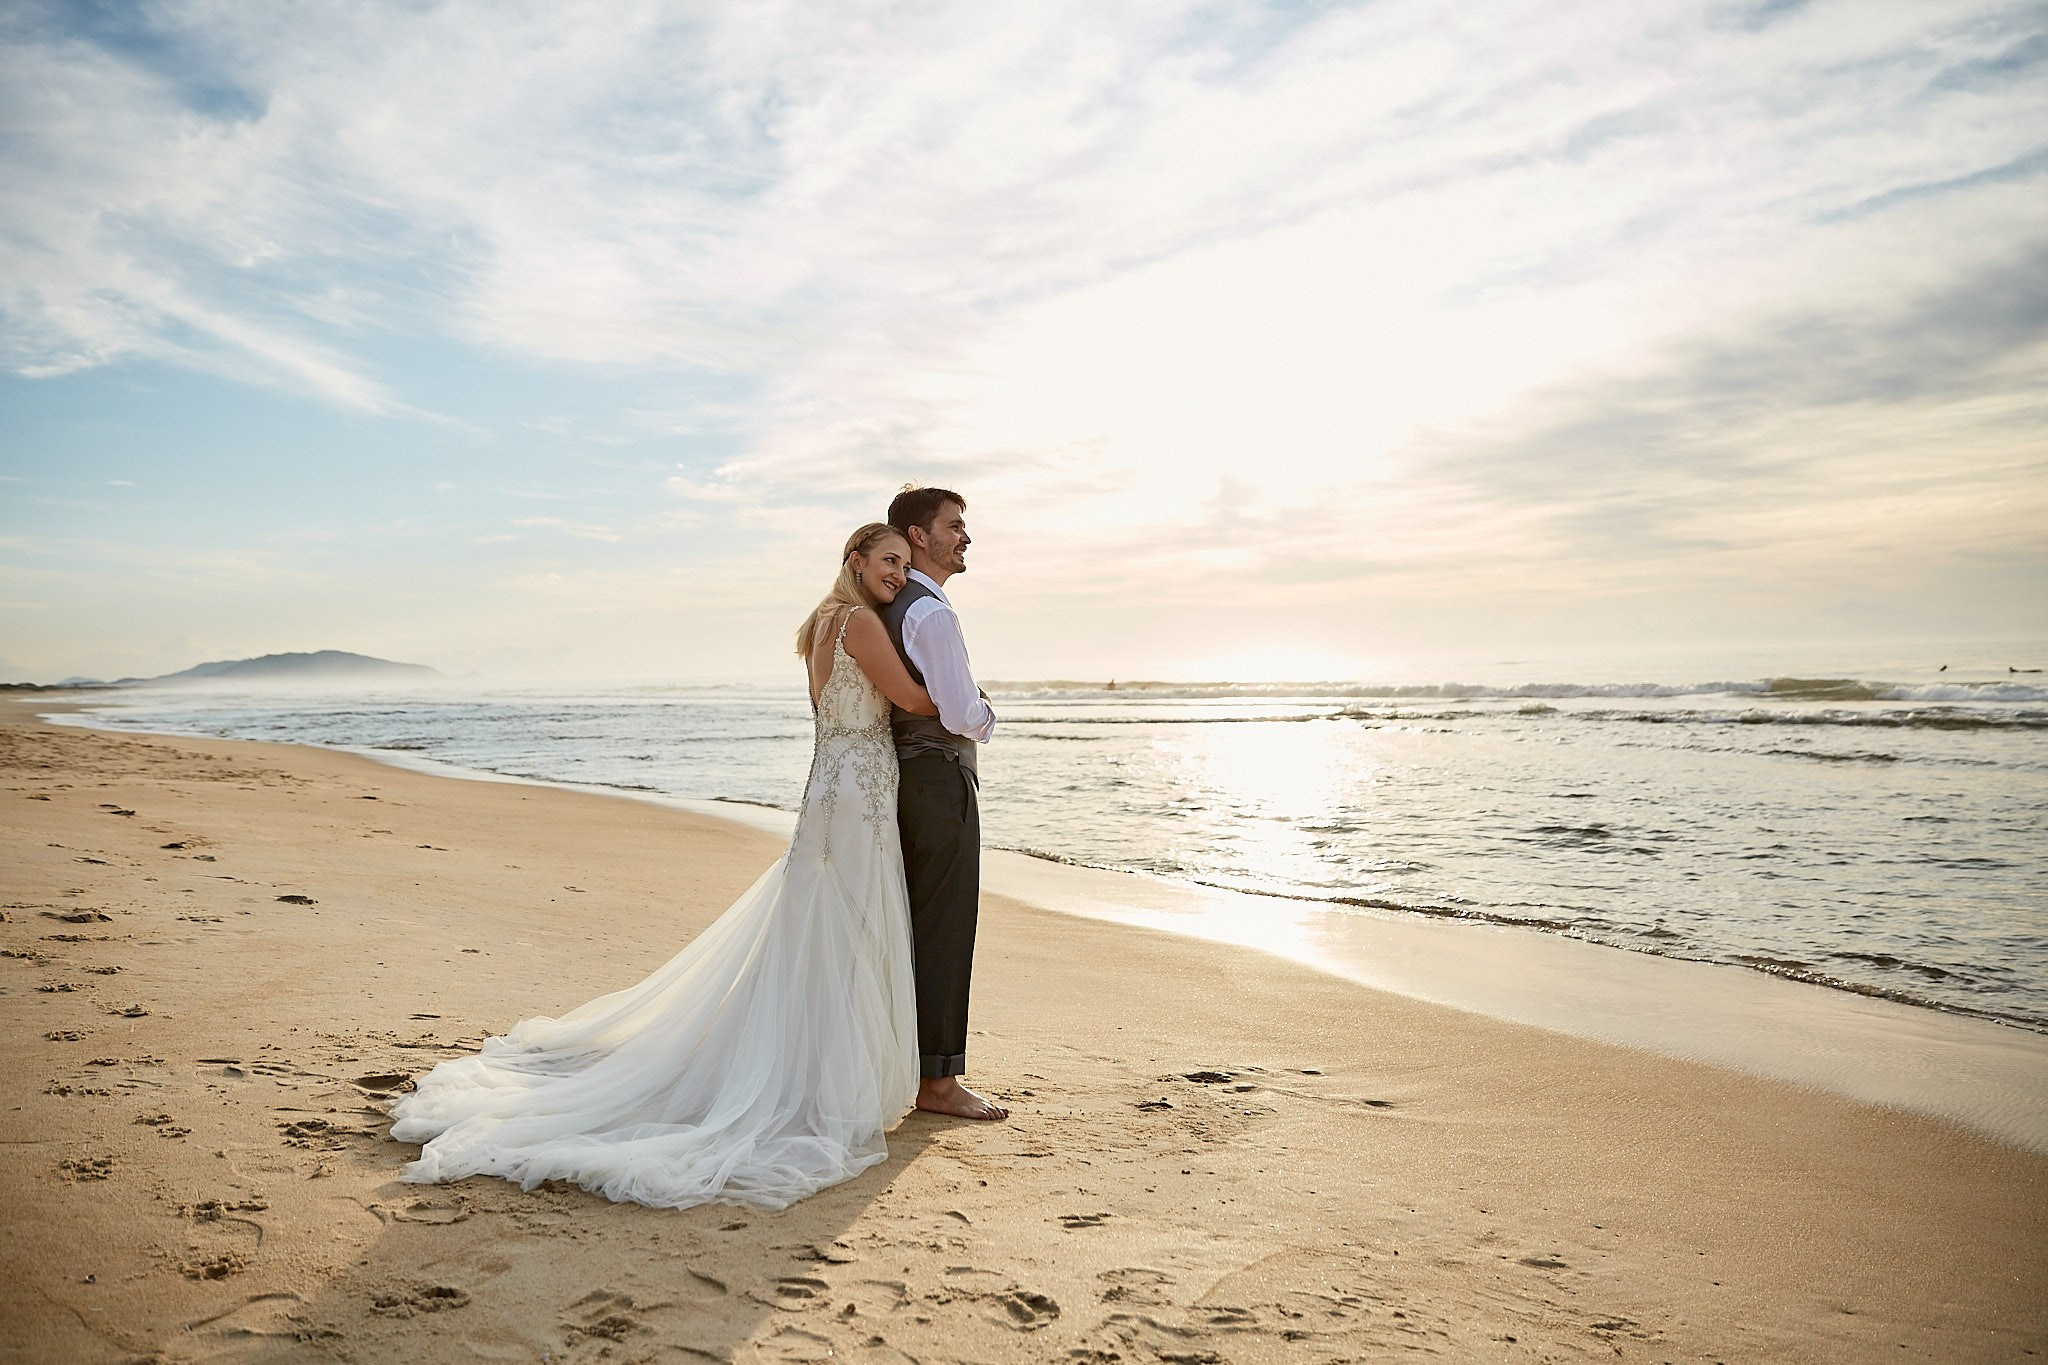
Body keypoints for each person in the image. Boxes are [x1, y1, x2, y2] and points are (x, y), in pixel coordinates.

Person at [388, 523, 940, 1210]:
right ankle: (824, 1086)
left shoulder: (821, 624)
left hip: (829, 782)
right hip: (857, 791)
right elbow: (912, 699)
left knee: (817, 929)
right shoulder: (859, 621)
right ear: (854, 561)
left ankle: (810, 1072)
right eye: (888, 560)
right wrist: (959, 684)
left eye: (902, 563)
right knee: (850, 927)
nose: (896, 572)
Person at [881, 487, 1008, 1121]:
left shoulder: (890, 605)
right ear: (918, 536)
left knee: (914, 927)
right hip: (940, 778)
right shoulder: (929, 612)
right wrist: (988, 713)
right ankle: (937, 1085)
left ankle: (917, 1070)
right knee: (944, 930)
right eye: (954, 526)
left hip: (906, 779)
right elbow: (960, 711)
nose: (965, 537)